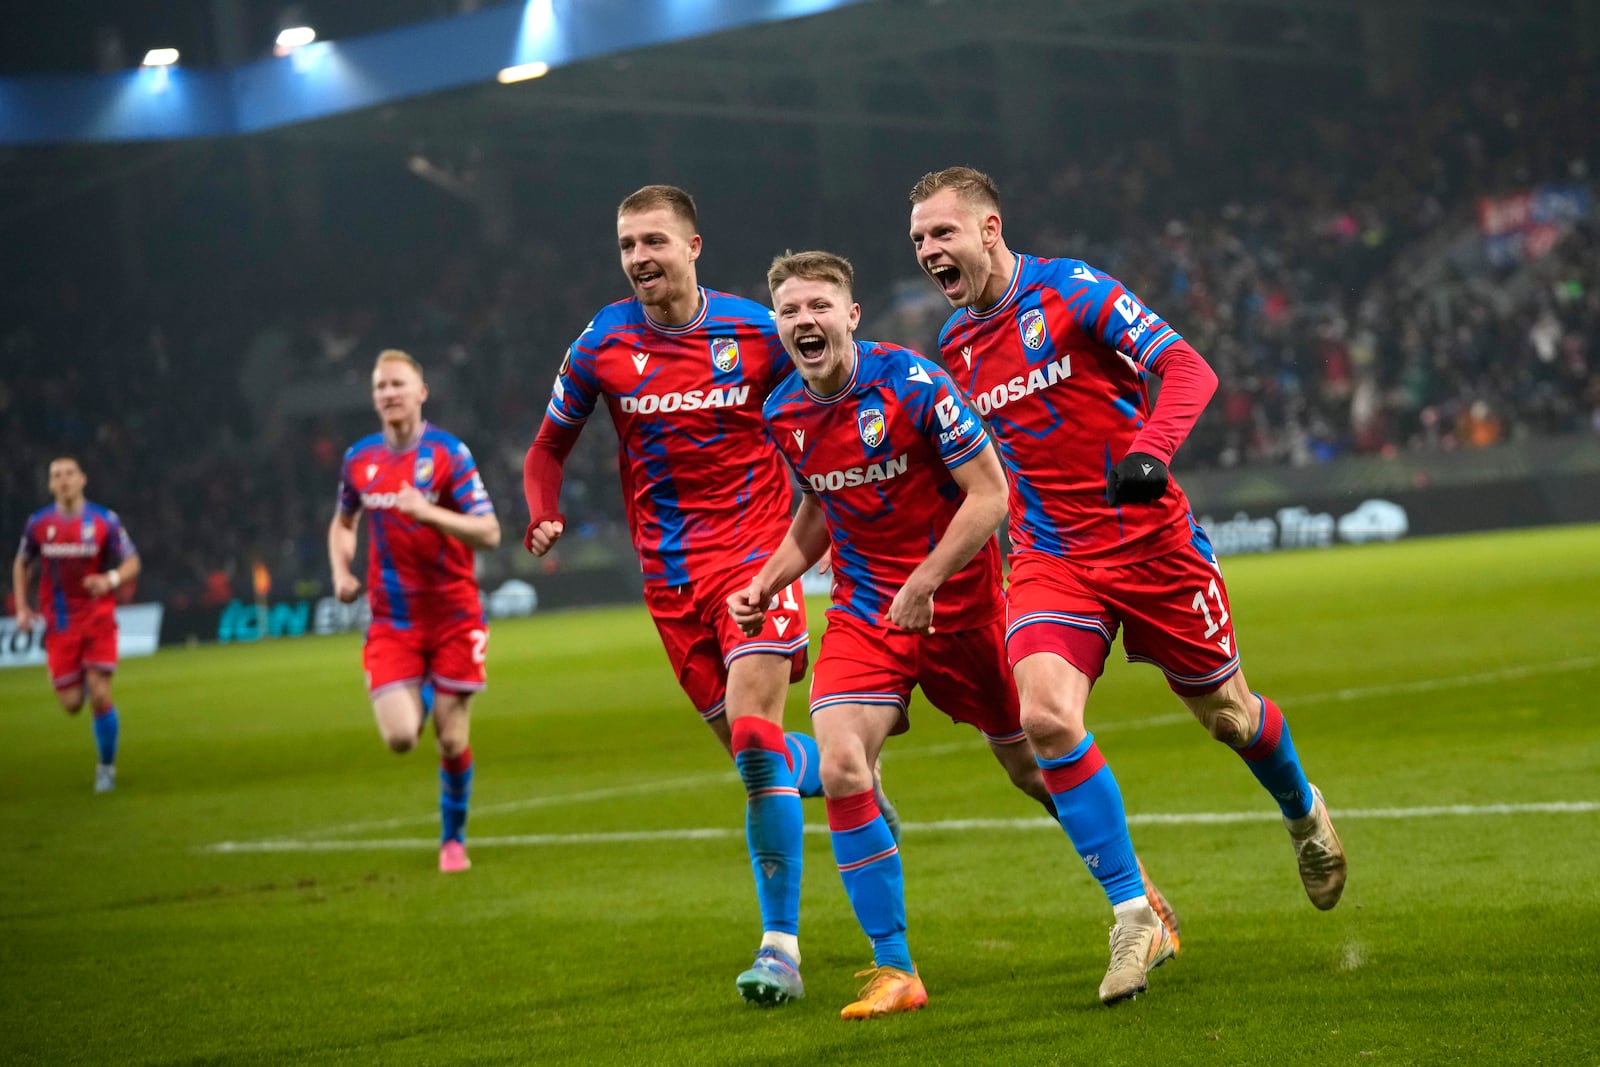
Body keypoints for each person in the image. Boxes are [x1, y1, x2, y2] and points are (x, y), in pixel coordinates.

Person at [907, 166, 1348, 1001]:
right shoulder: (955, 346)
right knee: (1042, 715)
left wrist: (1152, 447)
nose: (930, 249)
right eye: (920, 238)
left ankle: (1303, 810)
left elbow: (1189, 369)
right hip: (1050, 557)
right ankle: (1135, 915)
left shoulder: (1072, 291)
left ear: (990, 228)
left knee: (1229, 716)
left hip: (1150, 543)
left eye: (943, 232)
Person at [728, 250, 1181, 1018]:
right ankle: (895, 968)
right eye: (791, 311)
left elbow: (991, 495)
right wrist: (771, 578)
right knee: (843, 764)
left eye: (818, 306)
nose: (805, 321)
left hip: (961, 611)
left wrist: (927, 580)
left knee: (1035, 767)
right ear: (779, 324)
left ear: (850, 315)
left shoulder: (912, 385)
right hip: (867, 613)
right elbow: (819, 508)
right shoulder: (782, 412)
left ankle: (1140, 900)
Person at [523, 185, 880, 1007]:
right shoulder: (601, 343)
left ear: (693, 246)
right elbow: (547, 448)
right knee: (764, 760)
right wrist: (542, 512)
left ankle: (780, 949)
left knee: (757, 744)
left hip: (757, 565)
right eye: (626, 246)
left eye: (654, 241)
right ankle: (846, 771)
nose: (640, 257)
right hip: (669, 582)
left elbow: (835, 395)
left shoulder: (758, 331)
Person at [329, 349, 501, 873]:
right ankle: (425, 687)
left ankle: (453, 840)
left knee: (451, 739)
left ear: (420, 392)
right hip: (392, 620)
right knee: (402, 738)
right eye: (381, 386)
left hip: (453, 613)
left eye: (398, 384)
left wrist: (427, 511)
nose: (389, 393)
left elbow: (490, 532)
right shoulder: (360, 458)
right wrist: (340, 571)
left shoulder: (449, 454)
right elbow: (342, 522)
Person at [11, 456, 140, 793]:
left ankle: (106, 768)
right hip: (60, 624)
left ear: (82, 479)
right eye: (57, 475)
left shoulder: (104, 521)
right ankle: (79, 675)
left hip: (97, 619)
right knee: (71, 705)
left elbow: (132, 561)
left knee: (100, 693)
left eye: (69, 473)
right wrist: (23, 607)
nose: (64, 480)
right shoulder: (38, 525)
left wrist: (110, 579)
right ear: (51, 485)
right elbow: (22, 563)